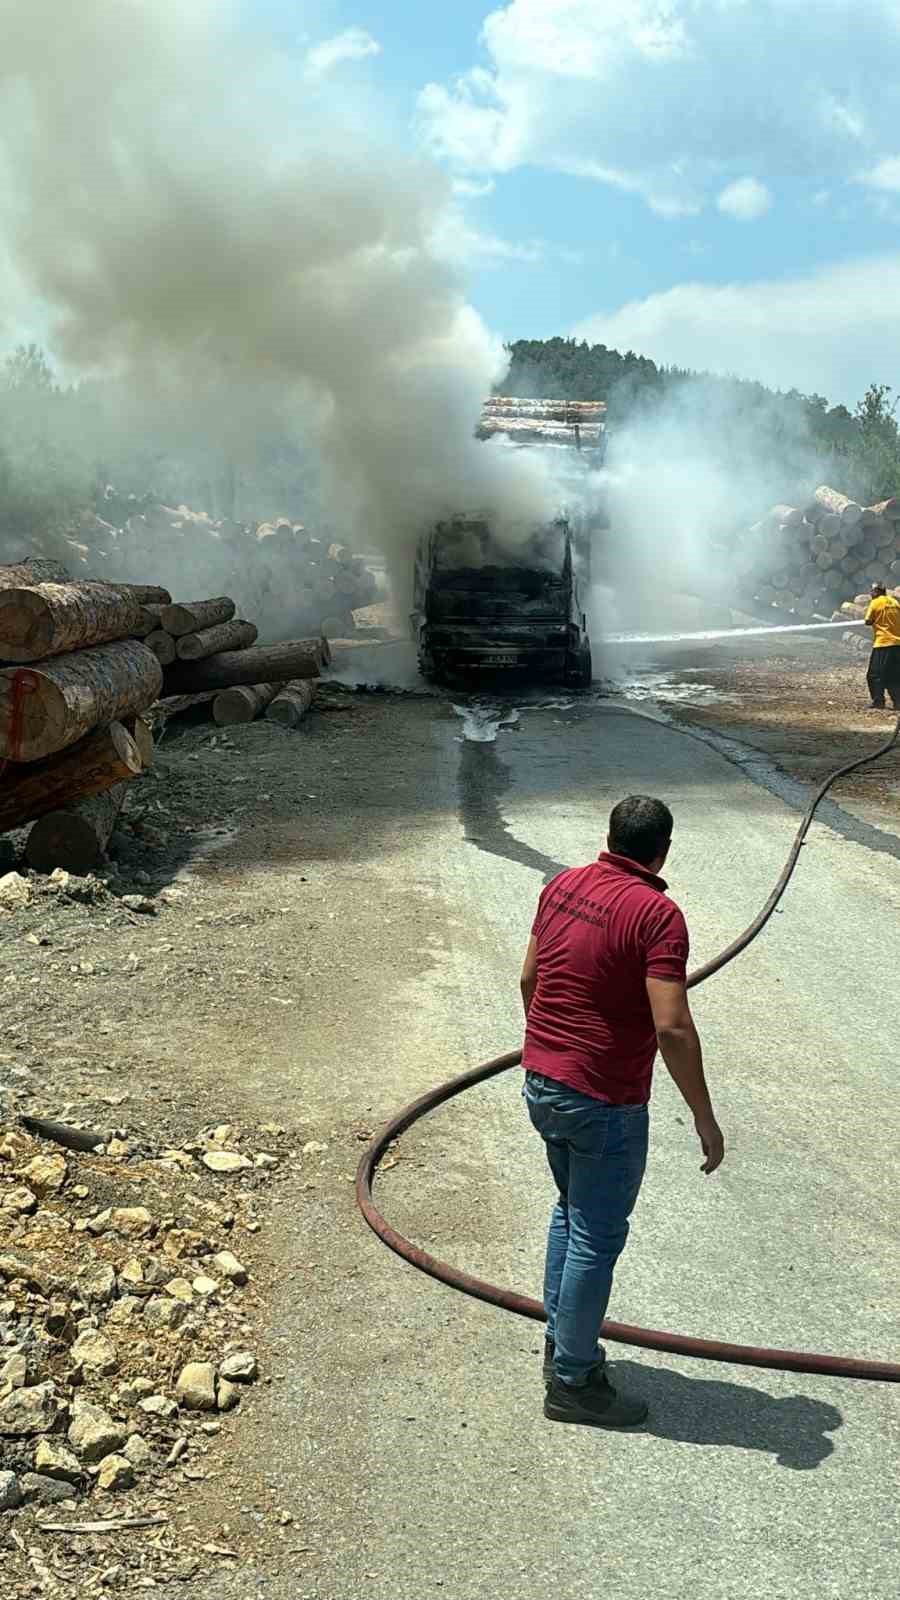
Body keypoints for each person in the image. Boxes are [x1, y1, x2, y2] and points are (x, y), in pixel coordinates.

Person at [520, 795, 724, 1431]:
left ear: (609, 837)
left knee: (571, 1212)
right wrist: (704, 1117)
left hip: (542, 1084)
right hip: (603, 1101)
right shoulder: (658, 915)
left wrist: (553, 1046)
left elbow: (528, 980)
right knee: (595, 1235)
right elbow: (672, 1027)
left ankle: (564, 1343)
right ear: (663, 851)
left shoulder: (561, 885)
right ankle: (574, 1382)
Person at [863, 582, 900, 711]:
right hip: (897, 644)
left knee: (874, 674)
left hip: (883, 643)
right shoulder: (895, 602)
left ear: (877, 592)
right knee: (894, 674)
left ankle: (878, 701)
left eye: (872, 591)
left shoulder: (875, 602)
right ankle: (898, 702)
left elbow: (868, 621)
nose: (870, 594)